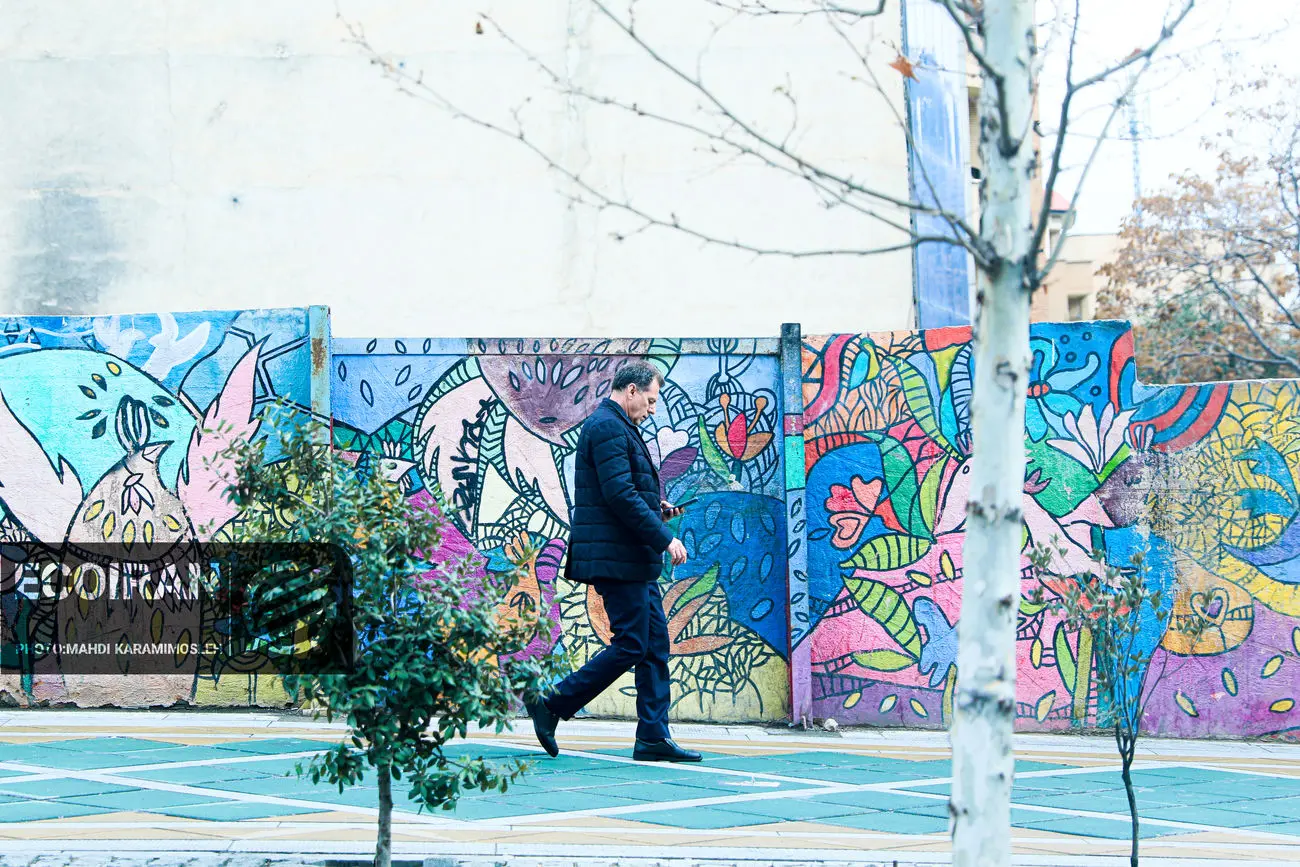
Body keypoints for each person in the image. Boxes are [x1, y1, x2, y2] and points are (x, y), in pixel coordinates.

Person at [524, 359, 702, 763]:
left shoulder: (619, 426)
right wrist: (665, 537)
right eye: (651, 400)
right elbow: (619, 495)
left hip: (629, 557)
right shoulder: (606, 427)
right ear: (632, 390)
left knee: (654, 646)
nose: (653, 409)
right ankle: (552, 702)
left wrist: (657, 508)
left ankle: (653, 737)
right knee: (633, 644)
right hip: (616, 558)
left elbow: (623, 491)